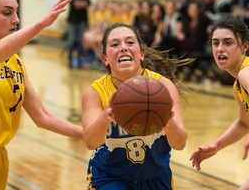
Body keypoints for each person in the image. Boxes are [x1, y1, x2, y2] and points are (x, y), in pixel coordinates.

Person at [0, 0, 83, 190]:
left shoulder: (15, 62)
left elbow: (42, 116)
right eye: (7, 13)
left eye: (16, 12)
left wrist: (88, 134)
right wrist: (42, 23)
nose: (16, 19)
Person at [82, 23, 192, 189]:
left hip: (156, 177)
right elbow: (90, 142)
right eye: (115, 44)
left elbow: (180, 144)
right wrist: (105, 116)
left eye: (130, 42)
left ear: (141, 54)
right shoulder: (95, 92)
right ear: (105, 58)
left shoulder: (163, 86)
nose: (123, 48)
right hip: (109, 177)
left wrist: (170, 124)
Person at [190, 16, 249, 190]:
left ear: (245, 46)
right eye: (215, 43)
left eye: (228, 43)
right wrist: (216, 145)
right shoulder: (238, 86)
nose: (220, 49)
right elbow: (243, 123)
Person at [66, 0, 91, 68]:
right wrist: (82, 4)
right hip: (72, 19)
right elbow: (74, 4)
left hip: (82, 19)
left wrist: (80, 3)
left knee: (81, 41)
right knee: (71, 40)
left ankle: (80, 60)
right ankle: (70, 59)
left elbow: (89, 3)